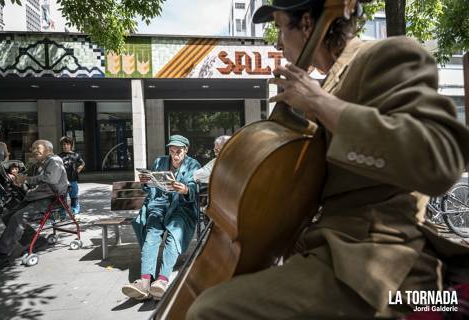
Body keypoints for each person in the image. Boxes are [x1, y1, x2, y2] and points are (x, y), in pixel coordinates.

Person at [187, 1, 469, 319]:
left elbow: (440, 159)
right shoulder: (324, 88)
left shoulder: (386, 56)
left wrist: (321, 102)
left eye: (280, 26)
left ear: (308, 23)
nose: (277, 42)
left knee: (211, 311)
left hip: (379, 264)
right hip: (325, 255)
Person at [122, 135, 201, 301]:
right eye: (172, 151)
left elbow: (195, 188)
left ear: (186, 150)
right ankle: (144, 283)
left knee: (174, 235)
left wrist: (186, 190)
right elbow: (149, 187)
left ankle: (162, 281)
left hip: (181, 207)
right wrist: (145, 181)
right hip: (159, 205)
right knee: (152, 234)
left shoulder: (193, 165)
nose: (175, 155)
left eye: (178, 151)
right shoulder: (159, 162)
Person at [0, 140, 68, 274]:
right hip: (37, 197)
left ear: (48, 149)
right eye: (32, 148)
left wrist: (26, 179)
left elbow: (51, 179)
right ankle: (36, 241)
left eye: (37, 148)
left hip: (51, 200)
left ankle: (2, 255)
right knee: (7, 216)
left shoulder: (54, 160)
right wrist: (20, 180)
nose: (34, 150)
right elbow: (32, 180)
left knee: (18, 217)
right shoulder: (40, 164)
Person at [58, 136, 85, 214]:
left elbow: (82, 163)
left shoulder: (76, 155)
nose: (65, 146)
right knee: (62, 198)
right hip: (62, 181)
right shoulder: (58, 156)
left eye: (67, 144)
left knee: (74, 197)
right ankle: (61, 214)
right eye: (63, 144)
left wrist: (77, 171)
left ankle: (74, 211)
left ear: (71, 145)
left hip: (73, 180)